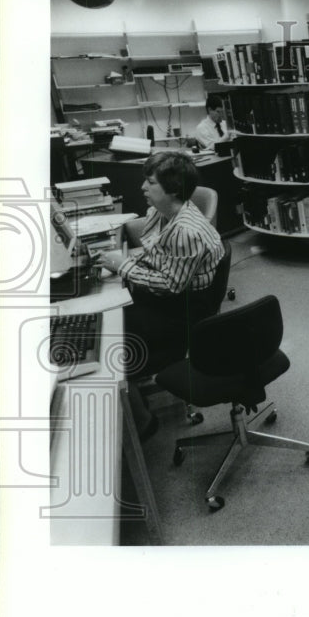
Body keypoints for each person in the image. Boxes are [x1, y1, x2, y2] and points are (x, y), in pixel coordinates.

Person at [93, 151, 225, 437]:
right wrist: (124, 264)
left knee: (109, 343)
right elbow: (155, 253)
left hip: (184, 309)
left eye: (150, 183)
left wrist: (124, 266)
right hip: (169, 296)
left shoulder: (186, 231)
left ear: (173, 190)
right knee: (106, 320)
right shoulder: (160, 212)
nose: (142, 187)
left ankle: (141, 419)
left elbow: (171, 285)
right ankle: (131, 396)